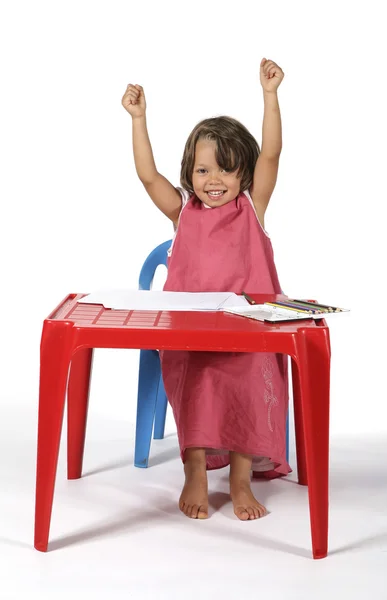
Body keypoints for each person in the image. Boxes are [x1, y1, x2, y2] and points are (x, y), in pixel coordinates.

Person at [122, 57, 290, 522]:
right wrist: (139, 120)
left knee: (249, 375)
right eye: (202, 171)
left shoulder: (252, 208)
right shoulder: (183, 213)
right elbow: (147, 176)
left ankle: (239, 476)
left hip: (248, 334)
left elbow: (272, 154)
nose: (213, 181)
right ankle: (194, 467)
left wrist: (270, 96)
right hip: (190, 334)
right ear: (189, 174)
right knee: (194, 375)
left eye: (225, 171)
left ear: (244, 175)